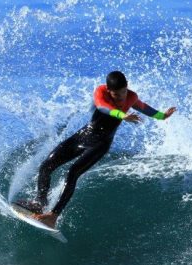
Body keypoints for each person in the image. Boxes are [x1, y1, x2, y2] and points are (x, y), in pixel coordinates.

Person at [16, 71, 176, 229]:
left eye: (123, 92)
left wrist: (162, 116)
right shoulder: (100, 92)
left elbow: (144, 108)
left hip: (101, 143)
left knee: (73, 173)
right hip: (84, 135)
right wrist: (121, 115)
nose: (121, 96)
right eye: (116, 94)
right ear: (108, 90)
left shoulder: (131, 97)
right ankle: (39, 203)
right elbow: (102, 106)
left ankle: (53, 216)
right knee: (46, 165)